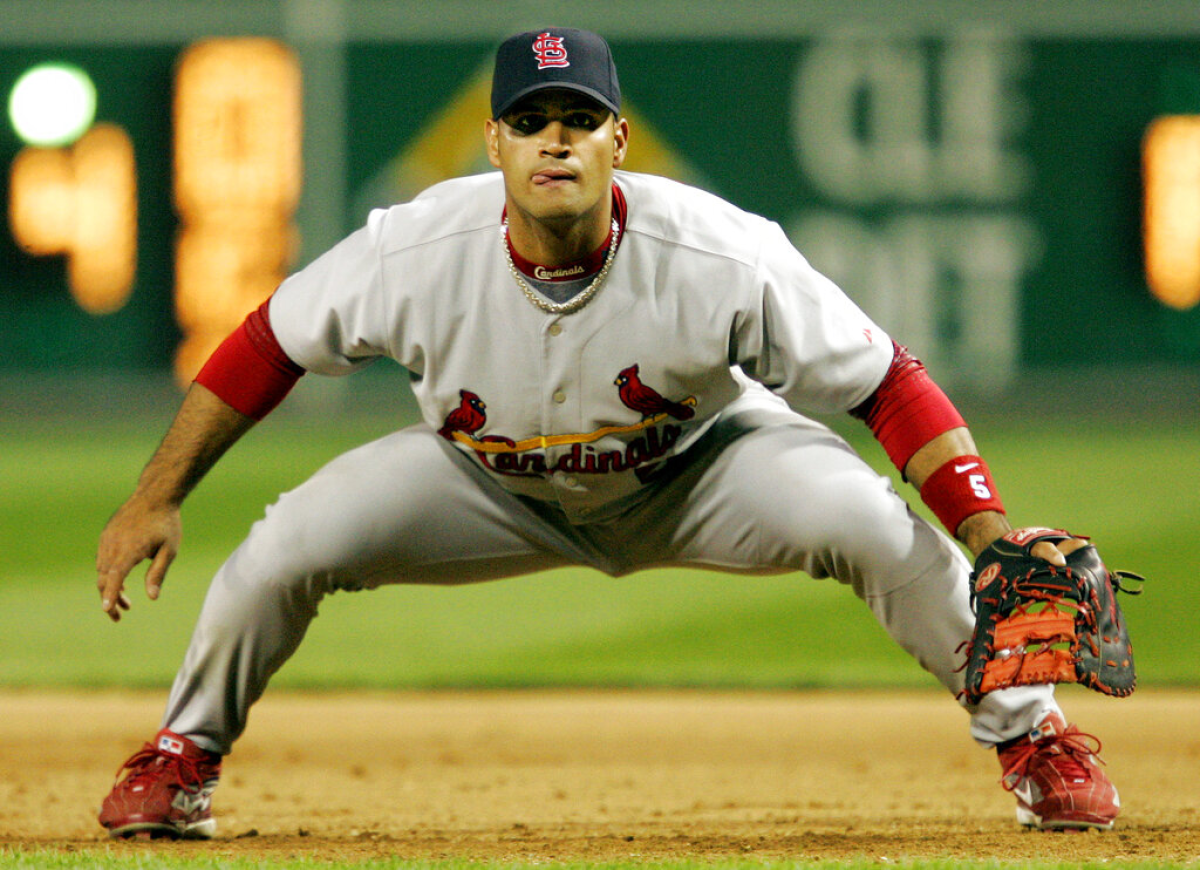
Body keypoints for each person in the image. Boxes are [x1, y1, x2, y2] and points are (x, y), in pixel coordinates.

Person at [95, 27, 1120, 840]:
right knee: (287, 542)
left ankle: (1037, 745)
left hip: (704, 470)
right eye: (530, 119)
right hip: (487, 485)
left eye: (578, 119)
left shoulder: (719, 251)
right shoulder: (412, 251)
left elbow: (885, 383)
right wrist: (156, 493)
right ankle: (182, 759)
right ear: (491, 141)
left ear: (616, 140)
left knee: (869, 519)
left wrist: (986, 530)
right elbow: (263, 347)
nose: (554, 139)